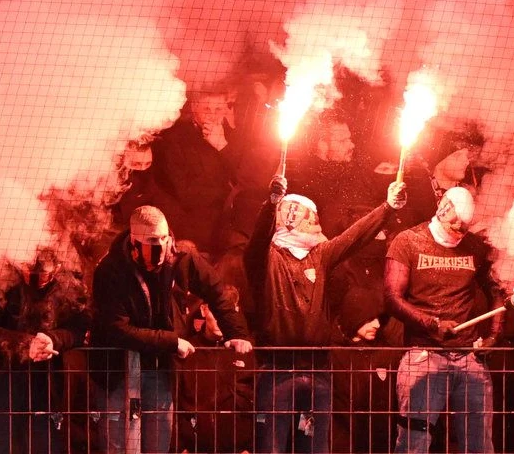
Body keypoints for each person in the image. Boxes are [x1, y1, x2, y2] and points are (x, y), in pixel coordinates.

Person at [244, 177, 405, 453]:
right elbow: (257, 241)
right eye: (310, 219)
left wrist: (388, 208)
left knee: (314, 446)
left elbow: (353, 238)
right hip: (276, 370)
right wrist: (269, 206)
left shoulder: (321, 255)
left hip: (317, 372)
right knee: (271, 446)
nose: (316, 225)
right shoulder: (267, 258)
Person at [90, 206, 253, 453]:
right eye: (150, 247)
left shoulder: (182, 259)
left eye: (163, 243)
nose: (159, 253)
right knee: (123, 446)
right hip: (119, 369)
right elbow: (117, 329)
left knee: (159, 440)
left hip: (160, 367)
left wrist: (236, 333)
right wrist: (172, 342)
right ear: (134, 242)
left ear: (169, 237)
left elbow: (216, 291)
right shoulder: (110, 270)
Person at [384, 187, 500, 454]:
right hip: (423, 355)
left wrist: (494, 336)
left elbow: (497, 291)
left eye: (464, 227)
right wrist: (433, 324)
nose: (458, 231)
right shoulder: (408, 241)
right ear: (442, 210)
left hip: (468, 356)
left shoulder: (475, 246)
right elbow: (391, 298)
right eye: (454, 225)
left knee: (479, 442)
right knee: (414, 441)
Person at [0, 250, 86, 454]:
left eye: (43, 274)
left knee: (45, 443)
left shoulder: (69, 286)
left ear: (56, 269)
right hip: (2, 378)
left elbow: (78, 328)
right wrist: (25, 344)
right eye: (30, 273)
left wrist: (53, 339)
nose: (37, 280)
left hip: (47, 381)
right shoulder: (3, 282)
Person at [148, 94, 241, 258]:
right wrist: (227, 193)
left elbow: (245, 177)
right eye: (206, 108)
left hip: (224, 231)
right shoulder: (174, 139)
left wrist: (221, 145)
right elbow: (186, 193)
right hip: (190, 231)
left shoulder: (233, 137)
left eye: (218, 109)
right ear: (194, 109)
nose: (212, 114)